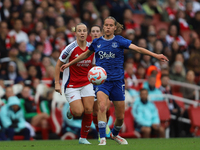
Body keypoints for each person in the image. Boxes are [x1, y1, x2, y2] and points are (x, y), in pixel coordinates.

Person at [60, 16, 168, 145]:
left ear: (115, 28)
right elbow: (86, 54)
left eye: (110, 25)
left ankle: (115, 135)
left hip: (117, 82)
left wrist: (156, 55)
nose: (108, 27)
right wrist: (69, 63)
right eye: (106, 25)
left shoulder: (120, 41)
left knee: (120, 117)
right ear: (103, 27)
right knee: (102, 106)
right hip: (102, 82)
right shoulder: (97, 42)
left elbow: (138, 48)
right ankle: (102, 138)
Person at [54, 23, 95, 144]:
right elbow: (58, 65)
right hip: (71, 84)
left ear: (87, 33)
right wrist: (57, 83)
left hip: (87, 82)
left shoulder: (91, 48)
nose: (82, 33)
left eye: (84, 31)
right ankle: (71, 111)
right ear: (75, 33)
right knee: (78, 112)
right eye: (79, 31)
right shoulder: (69, 48)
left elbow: (94, 65)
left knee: (88, 109)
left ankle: (83, 138)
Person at [89, 25, 111, 139]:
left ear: (101, 32)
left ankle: (105, 126)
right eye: (93, 31)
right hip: (91, 81)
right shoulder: (88, 47)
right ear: (90, 34)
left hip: (105, 80)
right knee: (95, 110)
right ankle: (100, 133)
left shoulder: (106, 46)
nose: (95, 33)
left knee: (107, 105)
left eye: (97, 31)